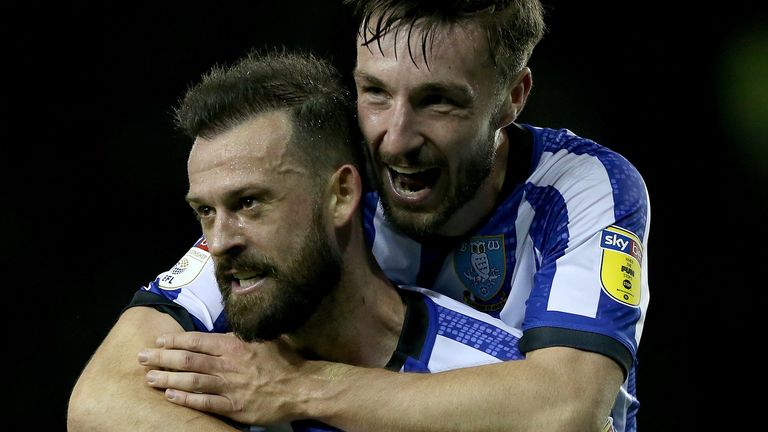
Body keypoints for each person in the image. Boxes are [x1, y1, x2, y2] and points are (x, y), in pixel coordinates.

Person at [70, 1, 650, 431]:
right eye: (374, 93)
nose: (393, 140)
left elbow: (569, 409)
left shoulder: (580, 187)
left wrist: (301, 389)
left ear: (512, 97)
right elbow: (102, 396)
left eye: (437, 101)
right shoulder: (328, 172)